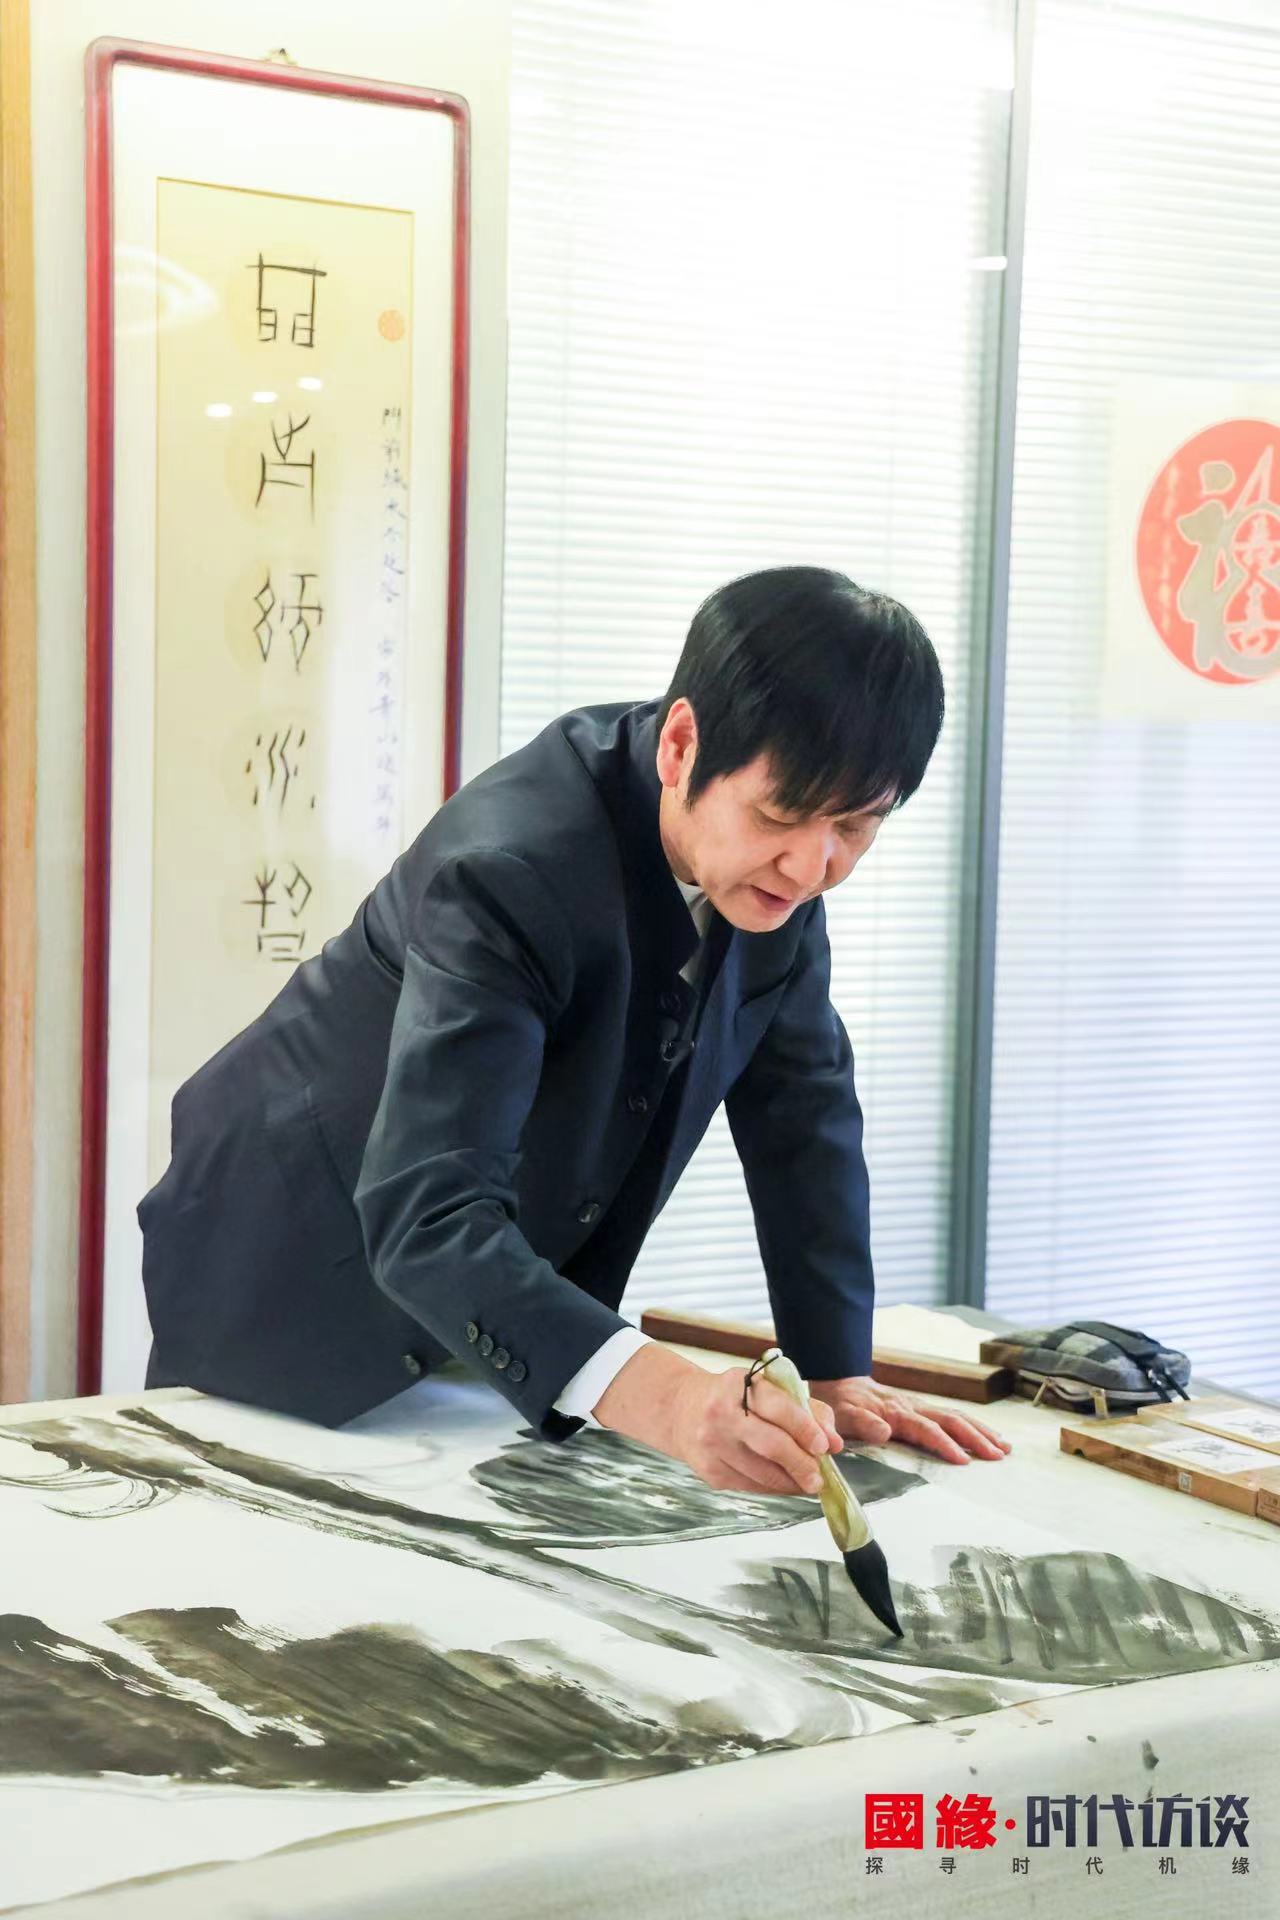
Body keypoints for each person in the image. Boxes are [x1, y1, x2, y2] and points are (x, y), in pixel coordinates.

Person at [140, 564, 1010, 1499]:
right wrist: (675, 1400)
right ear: (682, 743)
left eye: (857, 826)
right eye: (780, 815)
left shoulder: (776, 875)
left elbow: (804, 1119)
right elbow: (430, 1211)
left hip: (487, 1326)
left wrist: (834, 1371)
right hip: (286, 1266)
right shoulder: (509, 865)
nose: (812, 866)